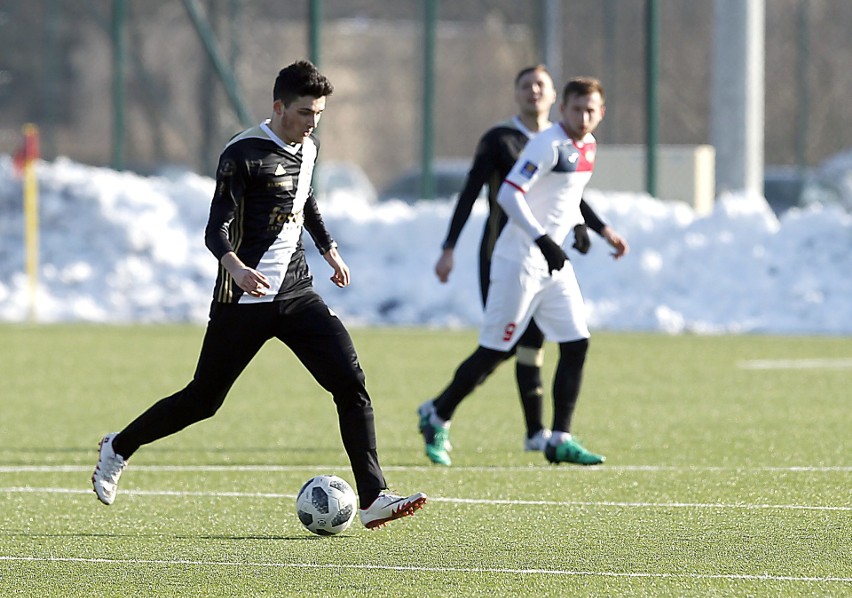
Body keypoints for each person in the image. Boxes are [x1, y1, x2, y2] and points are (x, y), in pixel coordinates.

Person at [91, 60, 426, 529]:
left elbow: (304, 199)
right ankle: (118, 447)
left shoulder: (307, 148)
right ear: (279, 107)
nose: (313, 123)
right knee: (203, 400)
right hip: (243, 300)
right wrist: (238, 269)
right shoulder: (243, 153)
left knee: (350, 383)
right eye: (306, 112)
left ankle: (372, 496)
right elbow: (215, 228)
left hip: (296, 293)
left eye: (319, 113)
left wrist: (329, 248)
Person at [419, 76, 629, 467]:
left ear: (601, 113)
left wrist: (590, 228)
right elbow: (508, 194)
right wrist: (543, 239)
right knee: (497, 349)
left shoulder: (588, 146)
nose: (583, 116)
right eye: (576, 108)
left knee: (576, 341)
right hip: (518, 260)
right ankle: (437, 412)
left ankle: (559, 437)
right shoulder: (547, 143)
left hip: (553, 264)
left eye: (591, 110)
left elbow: (567, 196)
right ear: (562, 109)